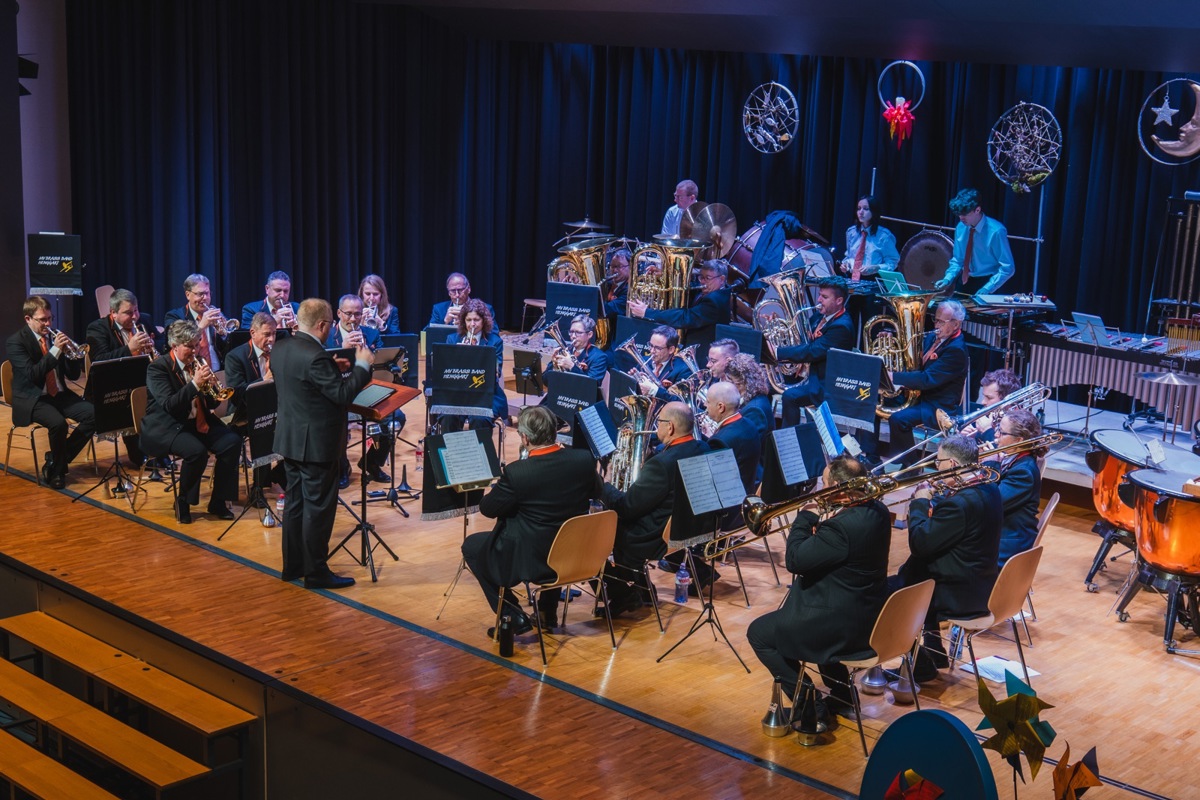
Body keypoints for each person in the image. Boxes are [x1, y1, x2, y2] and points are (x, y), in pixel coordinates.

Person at [747, 455, 891, 720]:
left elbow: (795, 560)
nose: (819, 490)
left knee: (759, 634)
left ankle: (811, 706)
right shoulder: (878, 511)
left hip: (841, 625)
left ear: (837, 484)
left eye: (823, 484)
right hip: (865, 614)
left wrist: (805, 517)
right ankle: (843, 698)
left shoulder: (841, 528)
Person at [461, 406, 598, 637]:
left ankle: (512, 615)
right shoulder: (584, 459)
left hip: (536, 560)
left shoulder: (518, 473)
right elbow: (596, 491)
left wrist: (498, 487)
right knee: (558, 530)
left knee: (472, 547)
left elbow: (488, 509)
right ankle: (546, 611)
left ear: (525, 438)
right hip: (575, 554)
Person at [272, 298, 372, 589]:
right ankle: (316, 572)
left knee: (295, 505)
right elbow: (342, 395)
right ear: (323, 324)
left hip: (290, 440)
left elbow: (306, 382)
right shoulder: (315, 356)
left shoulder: (282, 346)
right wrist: (362, 366)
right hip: (316, 446)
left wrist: (332, 366)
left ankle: (293, 566)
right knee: (318, 510)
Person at [893, 434, 1002, 682]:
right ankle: (935, 652)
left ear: (952, 465)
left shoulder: (960, 504)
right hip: (979, 584)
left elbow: (920, 543)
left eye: (938, 462)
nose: (935, 467)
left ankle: (921, 666)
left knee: (887, 595)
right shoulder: (989, 487)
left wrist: (919, 503)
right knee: (915, 573)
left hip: (958, 594)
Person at [597, 402, 711, 616]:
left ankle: (625, 596)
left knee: (605, 530)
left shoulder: (662, 464)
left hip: (656, 536)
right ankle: (643, 592)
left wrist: (606, 485)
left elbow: (627, 507)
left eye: (658, 422)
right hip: (689, 527)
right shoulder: (702, 447)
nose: (655, 427)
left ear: (670, 428)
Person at [141, 320, 242, 524]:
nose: (194, 351)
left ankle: (218, 501)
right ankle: (183, 501)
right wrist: (195, 384)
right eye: (189, 346)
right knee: (196, 452)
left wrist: (212, 387)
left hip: (196, 420)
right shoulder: (157, 369)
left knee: (232, 442)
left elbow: (212, 403)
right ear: (174, 345)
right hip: (166, 425)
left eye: (197, 345)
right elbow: (170, 405)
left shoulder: (198, 364)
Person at [6, 297, 96, 489]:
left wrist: (70, 354)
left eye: (50, 318)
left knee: (95, 414)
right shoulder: (15, 342)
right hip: (33, 397)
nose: (48, 324)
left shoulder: (54, 339)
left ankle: (57, 460)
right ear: (28, 319)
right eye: (43, 320)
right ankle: (57, 472)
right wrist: (55, 350)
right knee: (58, 424)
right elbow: (33, 374)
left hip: (60, 395)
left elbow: (72, 375)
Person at [885, 298, 969, 466]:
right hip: (919, 395)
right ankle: (871, 456)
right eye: (935, 319)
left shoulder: (956, 350)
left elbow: (927, 379)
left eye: (941, 321)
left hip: (936, 405)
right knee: (873, 402)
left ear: (956, 324)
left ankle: (911, 466)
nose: (936, 325)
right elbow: (912, 354)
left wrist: (895, 377)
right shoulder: (933, 336)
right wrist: (890, 337)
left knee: (898, 419)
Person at [324, 295, 397, 486]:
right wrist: (343, 348)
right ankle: (342, 467)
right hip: (339, 394)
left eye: (357, 314)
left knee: (396, 418)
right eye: (348, 314)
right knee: (338, 421)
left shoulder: (371, 334)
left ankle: (371, 462)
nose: (353, 319)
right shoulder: (328, 336)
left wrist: (366, 351)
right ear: (339, 313)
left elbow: (383, 365)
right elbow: (322, 369)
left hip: (367, 391)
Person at [85, 288, 159, 466]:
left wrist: (156, 344)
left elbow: (164, 343)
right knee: (132, 403)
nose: (134, 317)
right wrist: (129, 349)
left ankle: (157, 450)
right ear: (113, 313)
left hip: (142, 380)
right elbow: (99, 360)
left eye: (136, 310)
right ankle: (139, 454)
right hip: (112, 386)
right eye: (128, 313)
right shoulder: (97, 328)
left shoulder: (145, 320)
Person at [773, 275, 856, 427]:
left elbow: (813, 351)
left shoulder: (842, 327)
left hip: (825, 383)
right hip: (807, 373)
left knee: (790, 396)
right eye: (819, 295)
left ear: (839, 301)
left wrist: (778, 352)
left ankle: (791, 441)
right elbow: (801, 338)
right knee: (765, 385)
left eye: (824, 297)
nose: (819, 300)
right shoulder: (820, 315)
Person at [224, 312, 284, 507]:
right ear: (253, 333)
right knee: (263, 429)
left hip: (275, 410)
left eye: (274, 333)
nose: (272, 339)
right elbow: (237, 392)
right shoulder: (236, 356)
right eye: (267, 334)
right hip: (243, 413)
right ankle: (257, 488)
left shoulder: (279, 352)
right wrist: (263, 381)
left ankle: (278, 476)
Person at [439, 299, 508, 434]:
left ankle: (480, 454)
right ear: (463, 321)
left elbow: (496, 373)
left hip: (485, 395)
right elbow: (446, 371)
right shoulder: (452, 339)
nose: (472, 324)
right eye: (468, 320)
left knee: (479, 418)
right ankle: (450, 453)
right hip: (457, 394)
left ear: (484, 321)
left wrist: (476, 355)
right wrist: (459, 356)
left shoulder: (494, 341)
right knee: (447, 417)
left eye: (476, 320)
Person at [628, 259, 732, 344]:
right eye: (701, 277)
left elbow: (685, 317)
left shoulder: (716, 301)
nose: (703, 282)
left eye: (707, 278)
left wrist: (648, 312)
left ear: (722, 279)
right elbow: (685, 286)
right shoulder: (712, 291)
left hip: (701, 354)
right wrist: (664, 277)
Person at [933, 188, 1015, 296]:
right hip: (964, 280)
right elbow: (958, 260)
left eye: (965, 213)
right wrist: (947, 278)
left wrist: (988, 288)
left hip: (987, 282)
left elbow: (1008, 267)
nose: (961, 218)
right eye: (959, 214)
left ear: (977, 210)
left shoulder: (996, 231)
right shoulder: (961, 227)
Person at [991, 408, 1046, 567]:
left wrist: (990, 464)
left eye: (1001, 432)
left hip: (1007, 546)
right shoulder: (1015, 460)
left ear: (1018, 440)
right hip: (1003, 534)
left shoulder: (1024, 472)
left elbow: (991, 503)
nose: (996, 435)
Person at [164, 274, 231, 372]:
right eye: (200, 294)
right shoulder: (174, 316)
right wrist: (201, 327)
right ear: (187, 295)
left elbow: (227, 349)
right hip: (190, 372)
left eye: (207, 293)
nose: (204, 298)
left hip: (220, 371)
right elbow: (177, 343)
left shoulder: (215, 314)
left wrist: (222, 335)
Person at [839, 195, 900, 279]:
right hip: (852, 277)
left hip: (873, 279)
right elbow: (850, 256)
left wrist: (876, 268)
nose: (861, 212)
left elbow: (893, 262)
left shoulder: (884, 235)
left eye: (866, 209)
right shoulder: (851, 232)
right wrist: (845, 264)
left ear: (874, 211)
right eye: (859, 208)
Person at [633, 325, 694, 404]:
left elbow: (680, 402)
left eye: (657, 348)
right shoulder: (644, 361)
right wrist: (634, 381)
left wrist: (653, 390)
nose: (651, 351)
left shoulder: (683, 370)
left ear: (671, 349)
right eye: (651, 345)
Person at [960, 368, 1022, 443]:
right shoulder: (992, 417)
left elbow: (1004, 453)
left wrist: (987, 430)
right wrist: (971, 439)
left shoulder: (1019, 425)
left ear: (1006, 400)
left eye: (989, 398)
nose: (983, 402)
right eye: (984, 396)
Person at [546, 314, 610, 382]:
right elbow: (545, 381)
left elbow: (592, 386)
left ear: (589, 334)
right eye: (571, 332)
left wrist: (572, 366)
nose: (573, 336)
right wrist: (553, 365)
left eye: (578, 332)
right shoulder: (562, 350)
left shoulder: (599, 357)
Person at [724, 353, 773, 439]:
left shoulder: (754, 410)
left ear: (739, 383)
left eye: (728, 380)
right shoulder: (756, 398)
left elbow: (747, 443)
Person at [429, 273, 497, 328]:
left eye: (460, 290)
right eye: (453, 291)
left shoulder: (486, 309)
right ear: (448, 292)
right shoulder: (438, 309)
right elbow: (426, 333)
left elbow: (494, 333)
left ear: (469, 289)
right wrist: (445, 322)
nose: (457, 295)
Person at [602, 248, 632, 326]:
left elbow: (608, 310)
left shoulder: (630, 290)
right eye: (612, 266)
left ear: (631, 267)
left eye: (619, 266)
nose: (615, 270)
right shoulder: (606, 284)